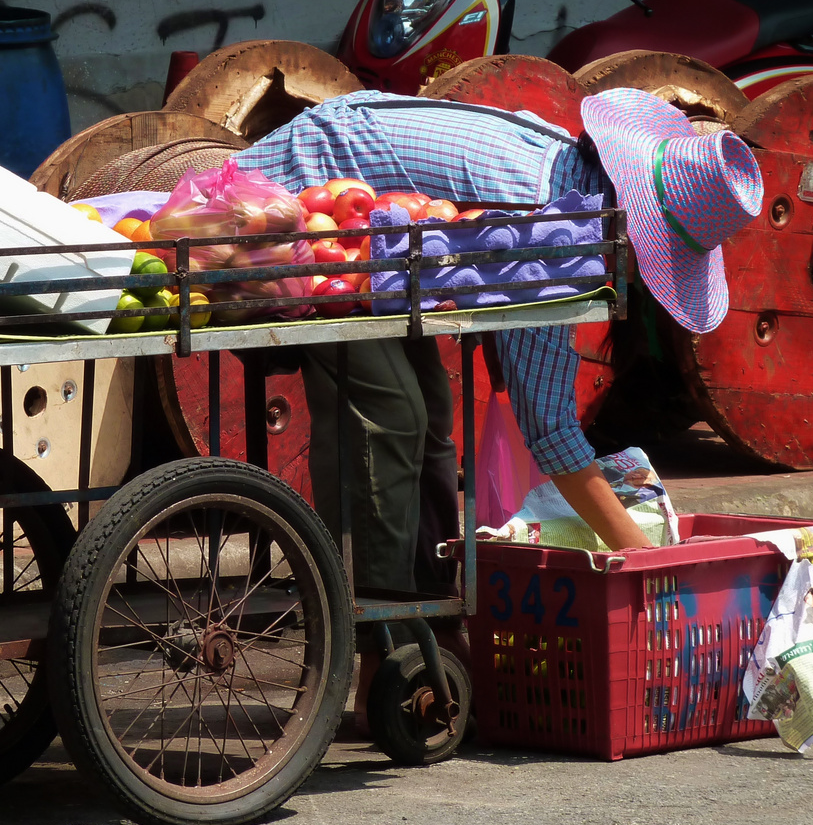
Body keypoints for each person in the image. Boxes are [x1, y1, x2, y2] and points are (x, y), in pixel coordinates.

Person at [227, 87, 764, 715]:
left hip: (381, 239)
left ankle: (429, 619)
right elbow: (551, 433)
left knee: (431, 415)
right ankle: (372, 650)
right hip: (298, 196)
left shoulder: (576, 175)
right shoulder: (562, 230)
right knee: (391, 415)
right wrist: (647, 556)